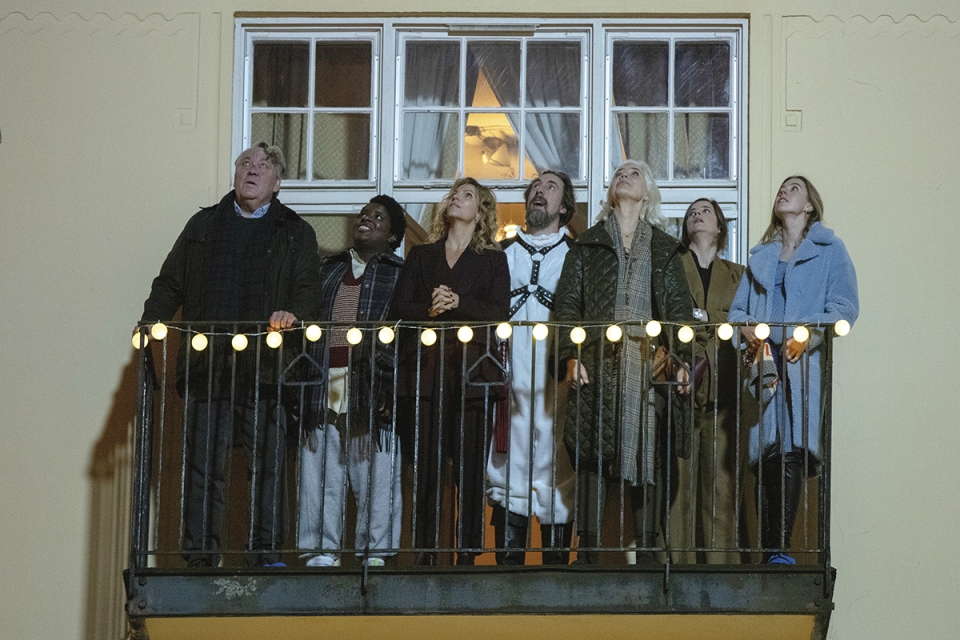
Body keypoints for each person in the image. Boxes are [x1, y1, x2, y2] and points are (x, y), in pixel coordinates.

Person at [138, 142, 322, 567]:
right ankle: (200, 556)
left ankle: (266, 555)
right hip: (208, 364)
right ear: (235, 174)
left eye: (263, 166)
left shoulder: (296, 232)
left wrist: (293, 314)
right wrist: (151, 321)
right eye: (245, 163)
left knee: (268, 465)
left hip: (267, 367)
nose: (252, 170)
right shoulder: (203, 225)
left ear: (277, 183)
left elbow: (307, 291)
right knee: (203, 465)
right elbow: (170, 282)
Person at [553, 160, 692, 564]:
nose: (624, 175)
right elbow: (567, 307)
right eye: (619, 173)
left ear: (647, 193)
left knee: (651, 450)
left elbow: (679, 313)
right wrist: (569, 356)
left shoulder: (664, 248)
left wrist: (680, 360)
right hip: (597, 362)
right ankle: (588, 551)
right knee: (591, 452)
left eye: (634, 173)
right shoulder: (587, 245)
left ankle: (647, 548)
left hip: (648, 367)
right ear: (611, 192)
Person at [728, 176, 858, 565]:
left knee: (792, 449)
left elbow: (845, 307)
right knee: (767, 453)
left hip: (802, 366)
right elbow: (736, 313)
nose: (784, 191)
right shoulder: (761, 257)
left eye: (794, 188)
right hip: (765, 364)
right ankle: (772, 552)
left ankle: (778, 551)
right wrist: (745, 330)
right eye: (782, 188)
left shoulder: (831, 250)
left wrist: (808, 334)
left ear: (810, 206)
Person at [392, 178, 510, 565]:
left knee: (470, 469)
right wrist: (430, 309)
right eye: (454, 194)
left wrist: (458, 301)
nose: (457, 198)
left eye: (467, 195)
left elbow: (499, 311)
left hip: (473, 375)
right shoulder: (422, 255)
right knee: (426, 466)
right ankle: (425, 551)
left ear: (481, 211)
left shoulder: (493, 259)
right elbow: (399, 307)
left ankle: (468, 554)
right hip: (426, 373)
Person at [297, 195, 407, 568]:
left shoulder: (400, 273)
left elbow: (405, 335)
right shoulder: (327, 269)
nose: (366, 218)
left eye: (378, 217)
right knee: (321, 467)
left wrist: (391, 385)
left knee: (375, 469)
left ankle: (375, 552)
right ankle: (320, 550)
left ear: (393, 236)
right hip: (326, 376)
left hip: (372, 381)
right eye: (363, 213)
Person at [485, 171, 577, 565]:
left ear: (565, 208)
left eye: (550, 187)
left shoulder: (577, 256)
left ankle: (556, 573)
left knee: (559, 461)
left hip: (557, 379)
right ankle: (509, 574)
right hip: (511, 377)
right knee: (508, 462)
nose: (539, 191)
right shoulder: (499, 255)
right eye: (535, 186)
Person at [668, 198, 745, 564]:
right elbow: (667, 318)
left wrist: (701, 316)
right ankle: (677, 578)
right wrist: (715, 320)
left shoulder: (738, 275)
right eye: (691, 213)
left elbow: (746, 322)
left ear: (720, 227)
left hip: (723, 390)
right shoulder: (671, 268)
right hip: (679, 387)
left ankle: (721, 576)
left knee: (721, 493)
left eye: (705, 211)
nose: (696, 215)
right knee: (678, 495)